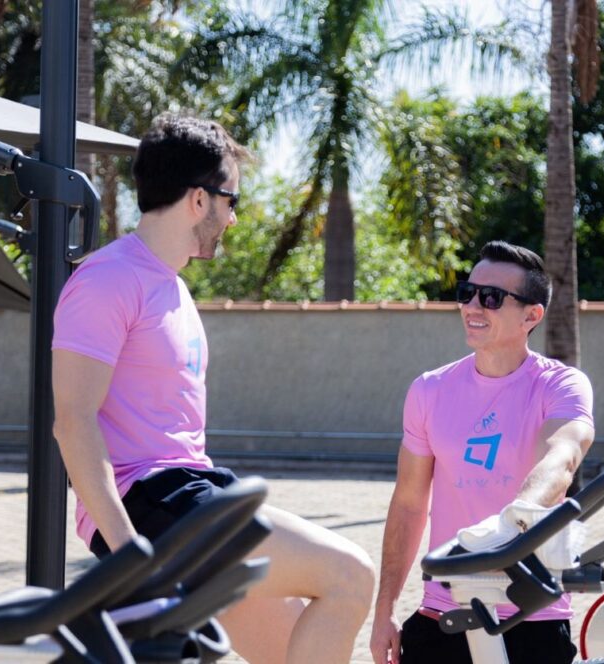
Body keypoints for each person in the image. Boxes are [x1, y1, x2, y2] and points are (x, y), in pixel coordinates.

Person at [51, 114, 374, 664]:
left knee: (292, 647)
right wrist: (130, 552)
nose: (232, 218)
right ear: (199, 200)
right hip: (156, 503)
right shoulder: (109, 279)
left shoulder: (170, 287)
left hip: (191, 494)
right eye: (231, 201)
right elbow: (73, 420)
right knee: (349, 575)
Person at [369, 241, 595, 664]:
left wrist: (510, 526)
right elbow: (408, 504)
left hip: (531, 616)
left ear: (531, 315)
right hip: (444, 613)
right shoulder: (429, 390)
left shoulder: (561, 385)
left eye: (491, 298)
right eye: (467, 292)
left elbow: (561, 457)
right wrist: (385, 612)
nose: (474, 305)